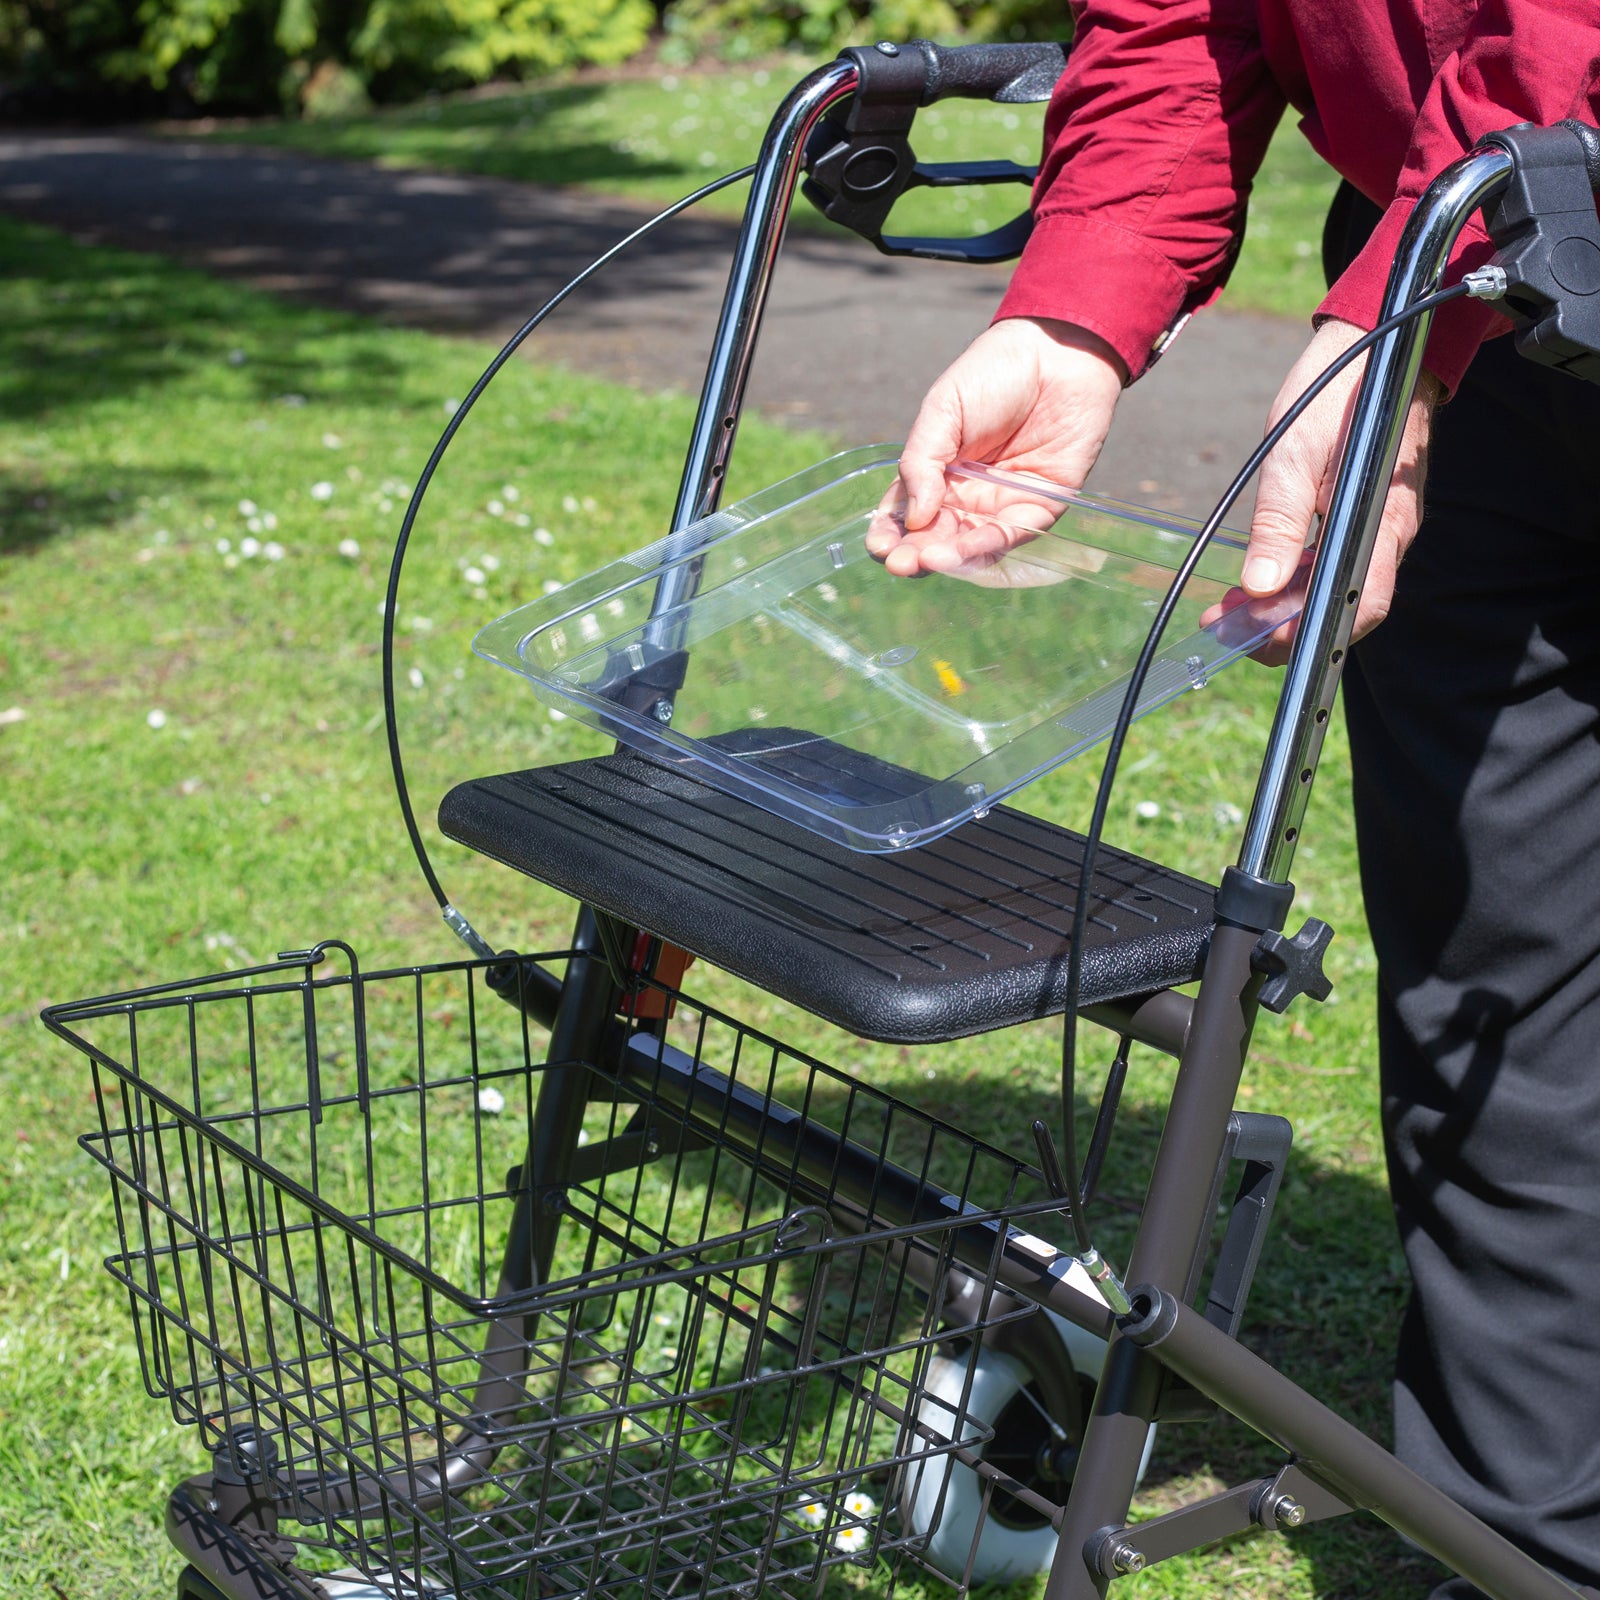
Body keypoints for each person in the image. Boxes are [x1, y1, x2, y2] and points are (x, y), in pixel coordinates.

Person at [872, 5, 1600, 1598]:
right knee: (1499, 978)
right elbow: (1181, 19)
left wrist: (1412, 298)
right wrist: (1075, 310)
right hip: (1484, 289)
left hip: (1464, 252)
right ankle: (1529, 1552)